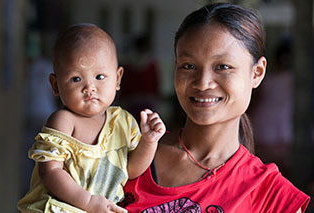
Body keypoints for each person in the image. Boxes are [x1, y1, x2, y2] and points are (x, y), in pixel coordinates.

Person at [119, 3, 310, 212]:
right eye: (189, 66)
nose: (202, 83)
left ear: (257, 73)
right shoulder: (126, 154)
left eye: (223, 67)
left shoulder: (272, 197)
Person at [18, 24, 166, 213]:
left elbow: (131, 169)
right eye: (76, 79)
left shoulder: (123, 122)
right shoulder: (63, 121)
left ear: (118, 79)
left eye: (100, 76)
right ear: (55, 86)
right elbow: (50, 172)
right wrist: (88, 202)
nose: (90, 87)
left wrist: (149, 141)